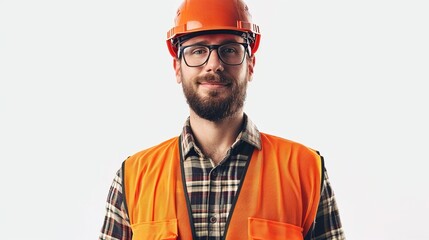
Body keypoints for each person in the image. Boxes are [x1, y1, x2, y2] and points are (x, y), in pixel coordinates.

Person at [99, 0, 345, 239]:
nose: (214, 65)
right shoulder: (133, 177)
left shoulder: (305, 170)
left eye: (229, 49)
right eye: (198, 51)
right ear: (177, 67)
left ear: (250, 65)